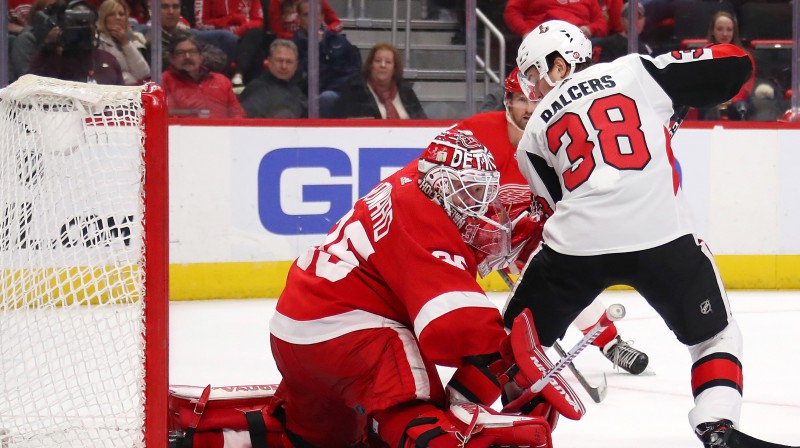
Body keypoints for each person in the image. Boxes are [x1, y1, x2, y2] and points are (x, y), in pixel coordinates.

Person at [503, 20, 764, 448]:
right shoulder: (634, 71)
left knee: (514, 344)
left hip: (579, 245)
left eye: (534, 73)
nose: (532, 87)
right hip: (660, 234)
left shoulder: (530, 137)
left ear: (558, 62)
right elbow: (735, 65)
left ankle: (493, 429)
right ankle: (717, 425)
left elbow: (559, 201)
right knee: (716, 336)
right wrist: (677, 90)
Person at [269, 129, 568, 447]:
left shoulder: (416, 179)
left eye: (482, 192)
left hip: (294, 333)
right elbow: (456, 327)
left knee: (316, 438)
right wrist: (511, 369)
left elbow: (453, 233)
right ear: (440, 184)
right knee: (421, 420)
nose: (478, 205)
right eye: (470, 192)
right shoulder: (422, 219)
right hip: (348, 334)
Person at [460, 67, 650, 375]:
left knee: (561, 265)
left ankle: (609, 342)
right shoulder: (478, 130)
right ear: (507, 102)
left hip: (524, 235)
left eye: (535, 99)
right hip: (472, 231)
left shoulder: (558, 138)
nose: (530, 108)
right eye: (521, 99)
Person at [27, 0, 124, 85]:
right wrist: (49, 46)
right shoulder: (54, 60)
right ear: (62, 27)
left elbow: (122, 96)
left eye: (86, 23)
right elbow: (34, 88)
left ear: (94, 26)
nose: (80, 29)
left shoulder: (108, 59)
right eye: (75, 24)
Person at [292, 0, 361, 118]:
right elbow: (297, 77)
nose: (312, 19)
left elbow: (354, 71)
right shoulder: (293, 46)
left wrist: (335, 88)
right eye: (306, 15)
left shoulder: (338, 41)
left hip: (337, 93)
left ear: (322, 17)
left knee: (329, 98)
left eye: (316, 14)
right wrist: (314, 46)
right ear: (299, 19)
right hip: (304, 96)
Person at [161, 32, 245, 118]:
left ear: (201, 56)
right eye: (180, 53)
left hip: (222, 130)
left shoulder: (221, 81)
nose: (187, 57)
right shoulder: (162, 81)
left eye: (192, 52)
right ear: (172, 58)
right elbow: (164, 118)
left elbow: (238, 115)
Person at [333, 42, 426, 119]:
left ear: (394, 68)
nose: (383, 65)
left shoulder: (405, 90)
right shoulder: (355, 89)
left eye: (388, 62)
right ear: (370, 65)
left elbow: (423, 122)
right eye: (377, 61)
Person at [697, 11, 755, 121]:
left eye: (729, 30)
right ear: (713, 31)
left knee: (741, 107)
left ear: (734, 32)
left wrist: (732, 99)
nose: (724, 34)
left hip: (737, 102)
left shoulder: (745, 57)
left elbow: (746, 86)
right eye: (720, 29)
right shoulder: (702, 55)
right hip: (710, 102)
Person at [239, 39, 307, 118]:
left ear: (296, 65)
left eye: (289, 62)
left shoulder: (298, 91)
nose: (284, 66)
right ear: (269, 62)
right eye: (279, 60)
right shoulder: (256, 89)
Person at [95, 0, 150, 85]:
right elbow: (109, 76)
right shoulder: (97, 41)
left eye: (121, 14)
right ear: (103, 18)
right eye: (112, 14)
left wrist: (125, 42)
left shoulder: (136, 38)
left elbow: (143, 73)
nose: (118, 17)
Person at [504, 0, 609, 39]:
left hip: (577, 41)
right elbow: (512, 11)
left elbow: (601, 24)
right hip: (541, 37)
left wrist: (589, 29)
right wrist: (525, 31)